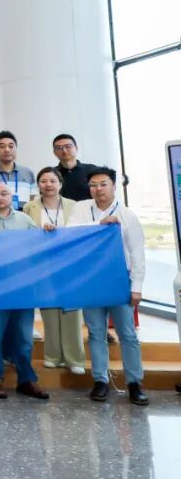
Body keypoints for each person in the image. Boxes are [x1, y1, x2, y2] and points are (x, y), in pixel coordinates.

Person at [70, 167, 148, 405]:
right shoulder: (81, 208)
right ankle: (100, 380)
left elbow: (137, 253)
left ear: (114, 186)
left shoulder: (127, 215)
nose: (98, 189)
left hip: (119, 281)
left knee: (127, 334)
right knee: (96, 333)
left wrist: (136, 286)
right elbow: (71, 233)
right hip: (91, 279)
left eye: (103, 184)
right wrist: (99, 224)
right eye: (93, 185)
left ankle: (134, 382)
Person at [0, 181, 49, 400]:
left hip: (22, 286)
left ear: (11, 196)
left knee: (23, 336)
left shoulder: (24, 219)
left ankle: (27, 379)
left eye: (4, 193)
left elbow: (39, 248)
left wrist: (48, 233)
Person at [23, 167, 85, 375]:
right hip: (42, 265)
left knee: (71, 311)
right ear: (38, 185)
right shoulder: (29, 207)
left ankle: (74, 358)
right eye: (43, 181)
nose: (48, 185)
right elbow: (26, 237)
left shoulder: (74, 206)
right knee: (48, 311)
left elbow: (80, 233)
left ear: (60, 184)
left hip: (70, 264)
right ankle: (52, 356)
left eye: (52, 181)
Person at [0, 130, 36, 210]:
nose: (7, 150)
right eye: (2, 147)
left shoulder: (28, 173)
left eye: (11, 146)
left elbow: (32, 200)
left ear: (16, 148)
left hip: (24, 216)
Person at [52, 133, 98, 202]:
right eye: (59, 148)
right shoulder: (51, 174)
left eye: (68, 146)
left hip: (89, 208)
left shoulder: (92, 170)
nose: (64, 150)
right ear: (54, 152)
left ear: (76, 148)